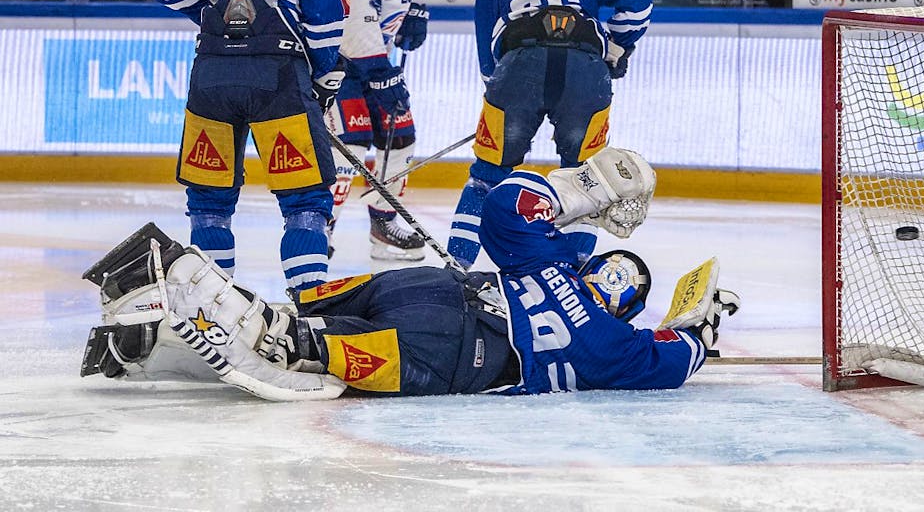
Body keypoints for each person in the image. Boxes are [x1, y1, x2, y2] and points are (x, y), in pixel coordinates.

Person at [81, 148, 741, 401]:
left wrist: (582, 188)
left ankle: (152, 339)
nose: (615, 282)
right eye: (619, 274)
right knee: (305, 347)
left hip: (438, 297)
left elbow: (507, 206)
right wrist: (699, 327)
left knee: (299, 327)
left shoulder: (546, 266)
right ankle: (233, 328)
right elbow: (673, 360)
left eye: (623, 283)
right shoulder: (607, 339)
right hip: (457, 347)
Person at [148, 0, 350, 291]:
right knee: (305, 201)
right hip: (280, 73)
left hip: (211, 69)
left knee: (209, 201)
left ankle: (212, 307)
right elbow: (324, 19)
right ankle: (311, 304)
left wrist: (216, 16)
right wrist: (321, 75)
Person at [447, 0, 653, 270]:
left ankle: (456, 267)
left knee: (485, 178)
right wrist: (616, 46)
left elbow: (486, 45)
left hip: (518, 67)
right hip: (583, 71)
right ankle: (573, 278)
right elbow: (638, 2)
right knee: (587, 179)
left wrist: (498, 94)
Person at [325, 0, 430, 262]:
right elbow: (357, 21)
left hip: (372, 65)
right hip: (339, 64)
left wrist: (407, 23)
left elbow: (382, 14)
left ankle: (383, 222)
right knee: (351, 146)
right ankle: (322, 226)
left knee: (401, 139)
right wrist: (384, 76)